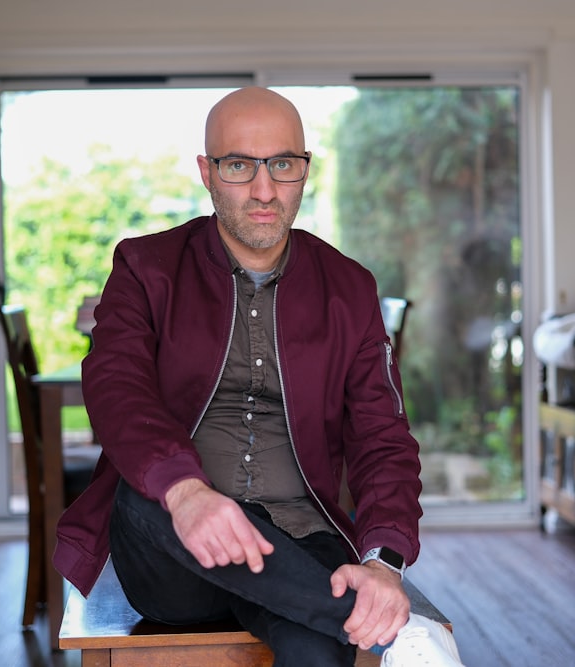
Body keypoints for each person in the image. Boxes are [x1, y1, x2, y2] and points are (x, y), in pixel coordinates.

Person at [54, 86, 463, 666]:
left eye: (283, 165)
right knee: (142, 491)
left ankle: (351, 616)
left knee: (318, 652)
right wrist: (188, 493)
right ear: (207, 172)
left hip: (302, 539)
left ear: (304, 170)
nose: (265, 190)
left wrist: (381, 563)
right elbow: (116, 390)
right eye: (240, 166)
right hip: (176, 555)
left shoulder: (349, 287)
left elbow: (383, 438)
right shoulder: (144, 268)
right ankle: (405, 638)